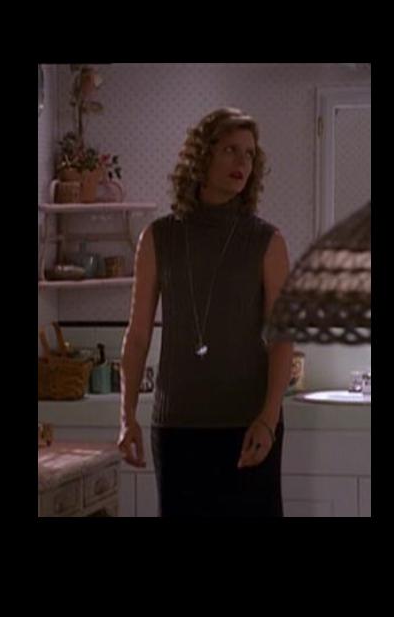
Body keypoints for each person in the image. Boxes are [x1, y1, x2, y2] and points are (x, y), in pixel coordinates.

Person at [117, 107, 293, 517]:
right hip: (178, 427)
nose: (242, 161)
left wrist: (268, 418)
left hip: (249, 427)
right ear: (202, 155)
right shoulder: (158, 238)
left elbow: (282, 338)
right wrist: (126, 417)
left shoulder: (267, 241)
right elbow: (138, 335)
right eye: (230, 149)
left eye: (250, 153)